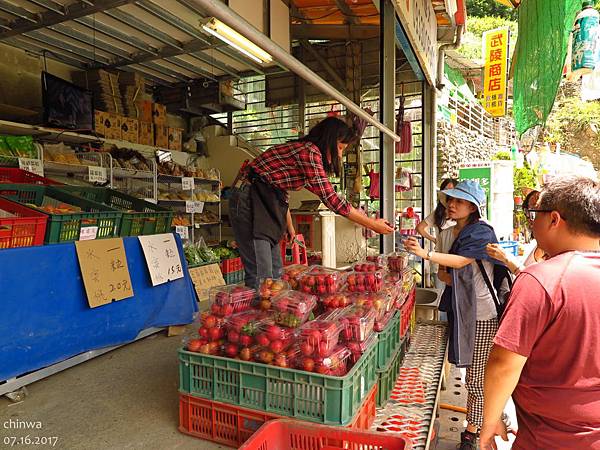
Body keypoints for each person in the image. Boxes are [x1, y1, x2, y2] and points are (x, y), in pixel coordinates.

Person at [480, 176, 600, 450]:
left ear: (554, 219)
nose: (531, 223)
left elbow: (504, 363)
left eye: (534, 214)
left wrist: (489, 422)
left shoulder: (541, 279)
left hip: (550, 437)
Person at [229, 117, 394, 289]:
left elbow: (281, 190)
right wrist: (373, 225)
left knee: (276, 273)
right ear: (329, 139)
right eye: (339, 148)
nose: (339, 155)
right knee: (261, 275)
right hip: (249, 200)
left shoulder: (305, 154)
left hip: (266, 201)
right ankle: (259, 313)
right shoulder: (309, 152)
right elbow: (331, 199)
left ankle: (271, 311)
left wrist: (289, 226)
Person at [404, 180, 509, 450]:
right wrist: (439, 265)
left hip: (482, 314)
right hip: (463, 310)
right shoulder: (451, 232)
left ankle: (472, 433)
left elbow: (462, 263)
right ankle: (487, 417)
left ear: (473, 207)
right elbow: (448, 275)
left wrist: (426, 254)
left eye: (459, 201)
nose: (451, 204)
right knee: (470, 373)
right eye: (450, 199)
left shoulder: (480, 232)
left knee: (476, 377)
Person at [485, 189, 547, 274]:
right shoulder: (535, 245)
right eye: (528, 212)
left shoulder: (559, 252)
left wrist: (507, 258)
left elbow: (532, 281)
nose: (530, 220)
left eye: (535, 211)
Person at [416, 178, 459, 244]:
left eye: (452, 190)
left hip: (458, 251)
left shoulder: (463, 213)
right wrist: (435, 240)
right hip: (441, 252)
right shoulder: (439, 213)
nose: (448, 194)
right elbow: (419, 228)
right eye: (446, 190)